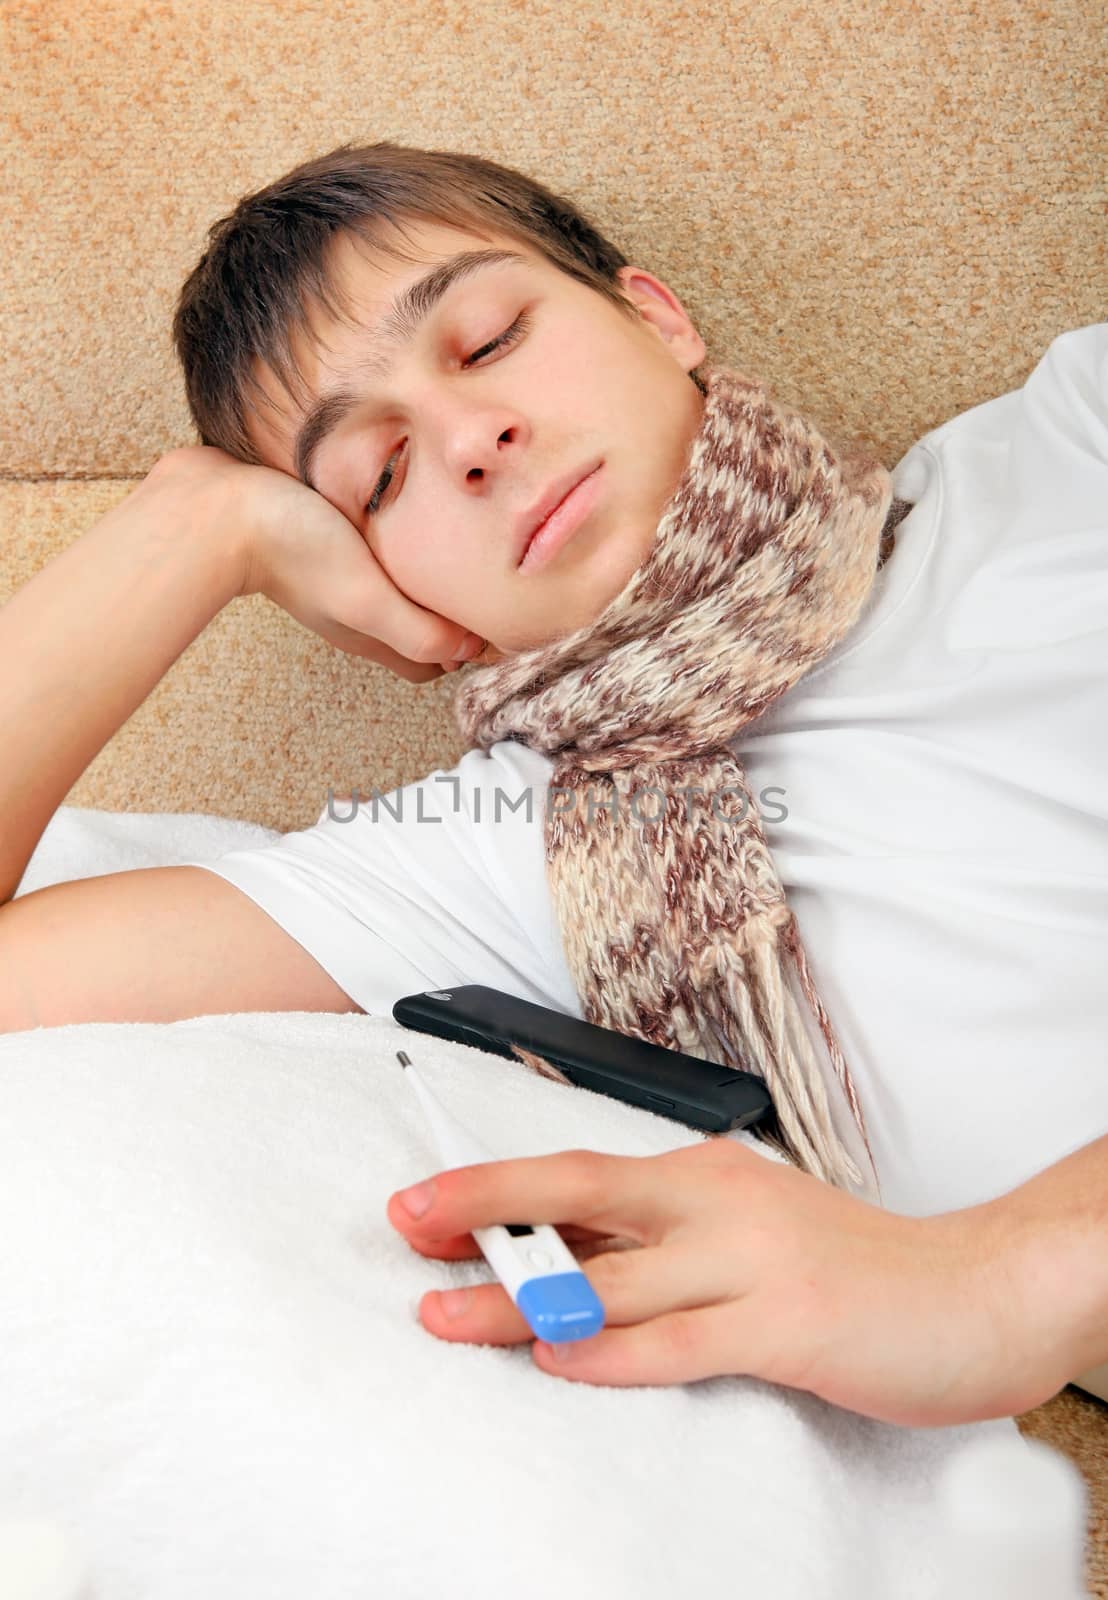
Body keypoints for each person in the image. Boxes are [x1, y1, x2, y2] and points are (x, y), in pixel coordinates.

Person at [1, 142, 1105, 1424]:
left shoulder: (1069, 444)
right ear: (383, 582)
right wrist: (192, 530)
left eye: (486, 340)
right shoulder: (501, 857)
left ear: (654, 315)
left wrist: (1004, 1279)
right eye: (380, 474)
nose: (471, 439)